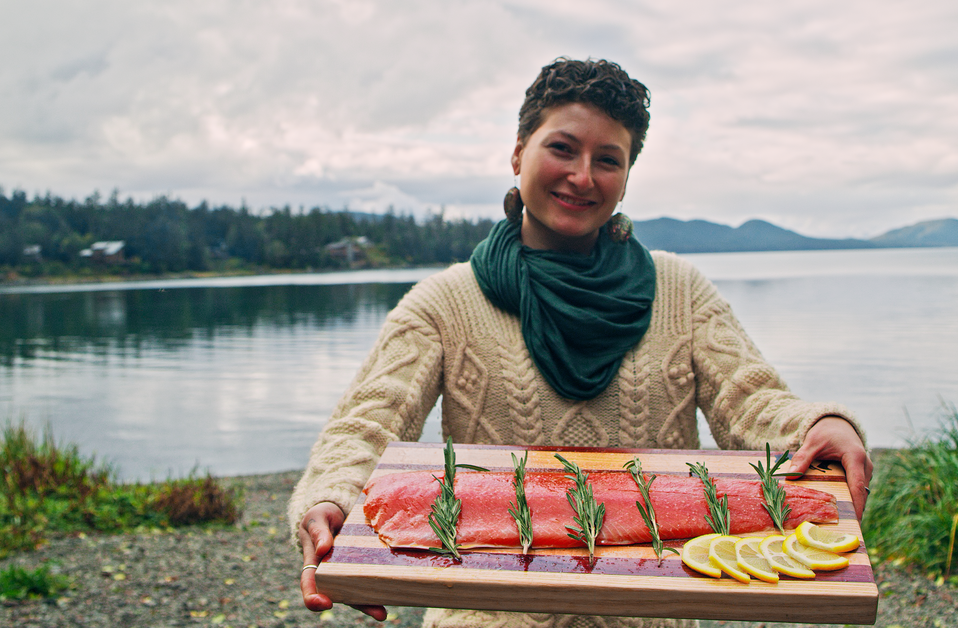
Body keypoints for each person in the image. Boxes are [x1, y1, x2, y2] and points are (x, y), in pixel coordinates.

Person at [289, 57, 872, 628]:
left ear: (625, 178)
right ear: (519, 153)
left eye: (608, 160)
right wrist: (331, 498)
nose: (583, 176)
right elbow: (365, 427)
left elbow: (753, 402)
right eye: (562, 148)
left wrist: (816, 425)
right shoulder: (443, 304)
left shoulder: (680, 292)